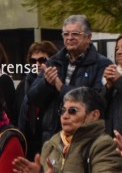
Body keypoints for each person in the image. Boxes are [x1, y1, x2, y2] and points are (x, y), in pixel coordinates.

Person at [27, 15, 112, 145]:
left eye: (75, 34)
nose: (70, 38)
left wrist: (62, 88)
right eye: (66, 34)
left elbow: (99, 99)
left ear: (88, 37)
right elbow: (32, 97)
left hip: (85, 137)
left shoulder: (102, 63)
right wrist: (46, 84)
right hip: (53, 135)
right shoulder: (53, 61)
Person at [12, 87, 122, 173]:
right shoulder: (51, 144)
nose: (64, 116)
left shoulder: (104, 145)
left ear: (94, 115)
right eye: (62, 110)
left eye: (73, 111)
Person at [18, 41, 60, 160]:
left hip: (50, 141)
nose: (37, 64)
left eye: (42, 60)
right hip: (29, 142)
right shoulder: (25, 83)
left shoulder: (58, 82)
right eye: (33, 61)